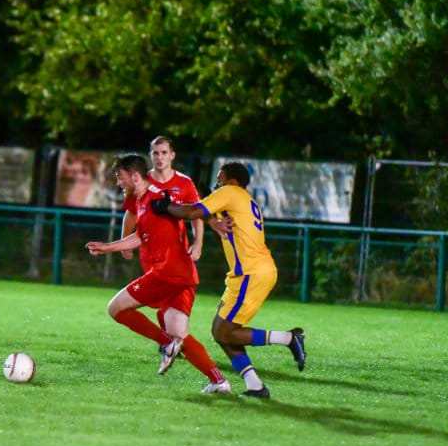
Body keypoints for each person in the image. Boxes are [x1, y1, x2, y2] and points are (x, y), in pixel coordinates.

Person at [150, 161, 306, 398]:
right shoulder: (244, 199)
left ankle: (288, 338)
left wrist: (166, 206)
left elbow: (192, 212)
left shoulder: (230, 192)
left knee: (225, 331)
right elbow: (215, 223)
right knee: (221, 332)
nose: (217, 183)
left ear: (232, 181)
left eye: (220, 178)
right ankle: (255, 386)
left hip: (251, 273)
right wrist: (212, 219)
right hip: (247, 273)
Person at [86, 153, 230, 394]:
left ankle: (165, 343)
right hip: (184, 276)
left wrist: (207, 228)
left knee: (115, 308)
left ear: (134, 177)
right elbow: (141, 236)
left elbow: (189, 211)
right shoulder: (143, 201)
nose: (119, 183)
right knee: (180, 335)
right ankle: (219, 381)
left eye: (120, 177)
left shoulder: (157, 199)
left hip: (167, 274)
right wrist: (108, 247)